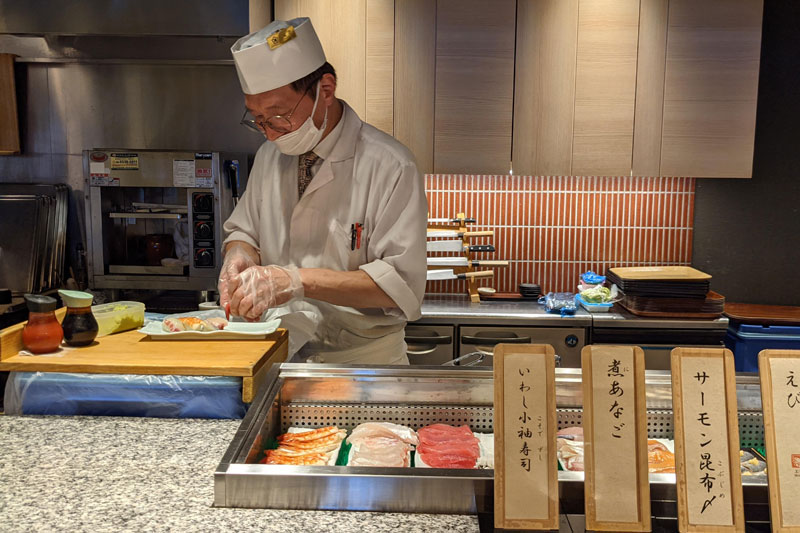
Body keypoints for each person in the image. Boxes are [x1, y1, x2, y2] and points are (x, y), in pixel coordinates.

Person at [220, 17, 427, 364]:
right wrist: (238, 255)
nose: (270, 133)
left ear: (325, 90)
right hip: (280, 356)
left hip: (363, 364)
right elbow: (246, 230)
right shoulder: (270, 155)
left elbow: (400, 285)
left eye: (279, 115)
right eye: (258, 119)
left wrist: (295, 281)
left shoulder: (391, 165)